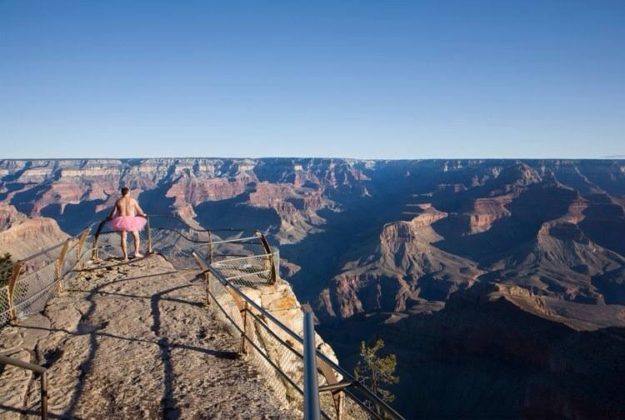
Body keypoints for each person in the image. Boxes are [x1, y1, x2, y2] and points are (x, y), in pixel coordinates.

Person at [107, 187, 147, 261]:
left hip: (121, 220)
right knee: (136, 237)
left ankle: (125, 257)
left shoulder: (118, 201)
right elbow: (139, 210)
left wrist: (110, 218)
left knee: (123, 238)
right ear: (128, 192)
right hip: (132, 220)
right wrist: (143, 215)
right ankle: (136, 252)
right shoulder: (133, 200)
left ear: (122, 193)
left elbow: (113, 212)